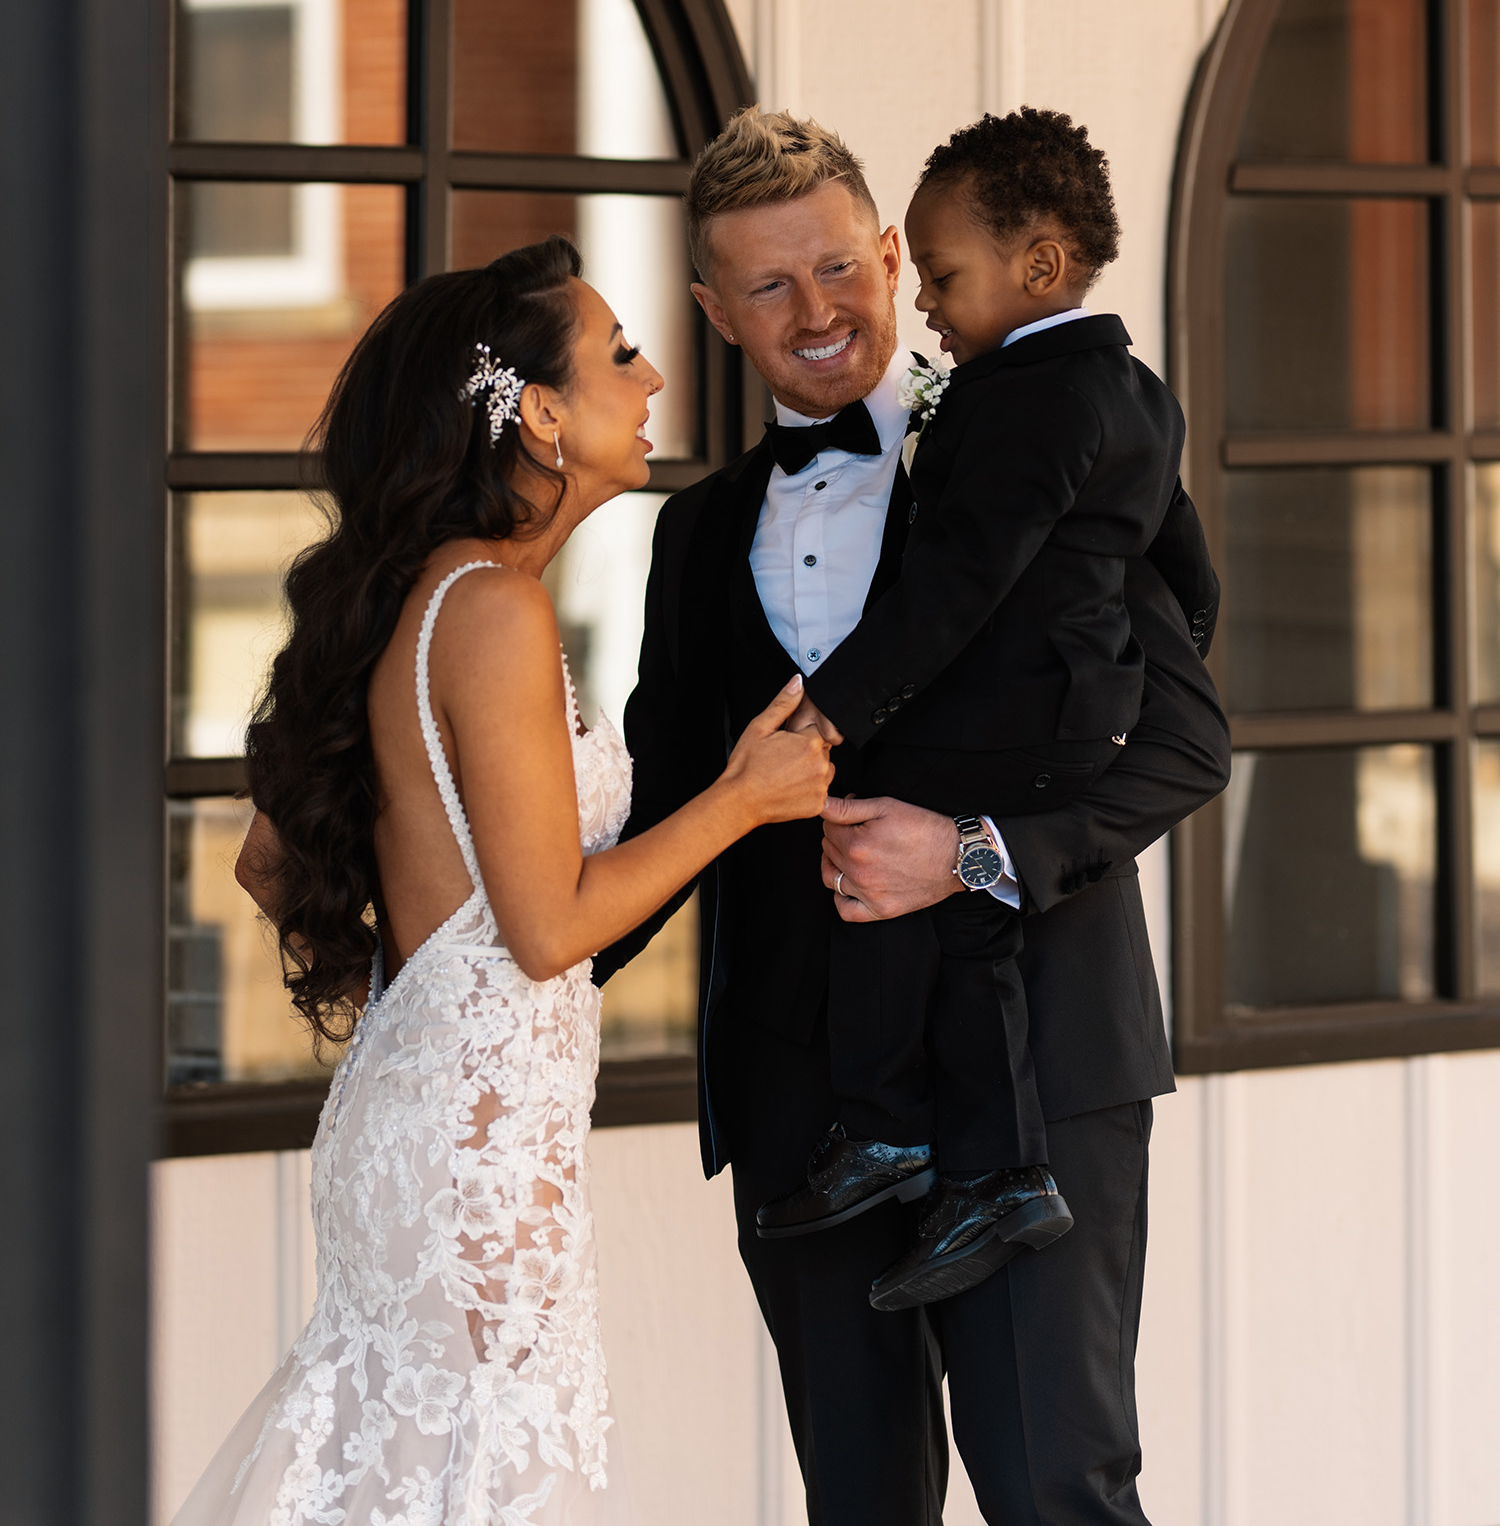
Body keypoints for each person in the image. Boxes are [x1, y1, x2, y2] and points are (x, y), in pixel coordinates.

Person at [595, 110, 1230, 1526]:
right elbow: (659, 801)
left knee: (1055, 1489)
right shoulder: (695, 537)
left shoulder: (1038, 444)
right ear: (715, 310)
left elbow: (1187, 740)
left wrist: (978, 851)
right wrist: (484, 971)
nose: (814, 312)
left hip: (1039, 1067)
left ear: (894, 257)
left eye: (839, 267)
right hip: (802, 1094)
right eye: (768, 286)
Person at [171, 236, 833, 1526]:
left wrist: (425, 1012)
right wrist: (745, 799)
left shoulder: (431, 597)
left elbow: (269, 863)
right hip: (474, 1156)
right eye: (619, 357)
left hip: (431, 1125)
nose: (649, 384)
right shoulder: (491, 609)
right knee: (482, 1478)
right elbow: (547, 929)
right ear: (538, 415)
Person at [756, 109, 1190, 1316]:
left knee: (893, 841)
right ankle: (961, 1162)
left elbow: (958, 584)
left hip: (1011, 716)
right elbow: (1188, 575)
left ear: (1037, 267)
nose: (932, 304)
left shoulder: (1019, 404)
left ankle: (923, 1143)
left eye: (939, 275)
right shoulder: (1139, 397)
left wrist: (833, 713)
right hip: (1067, 713)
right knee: (964, 932)